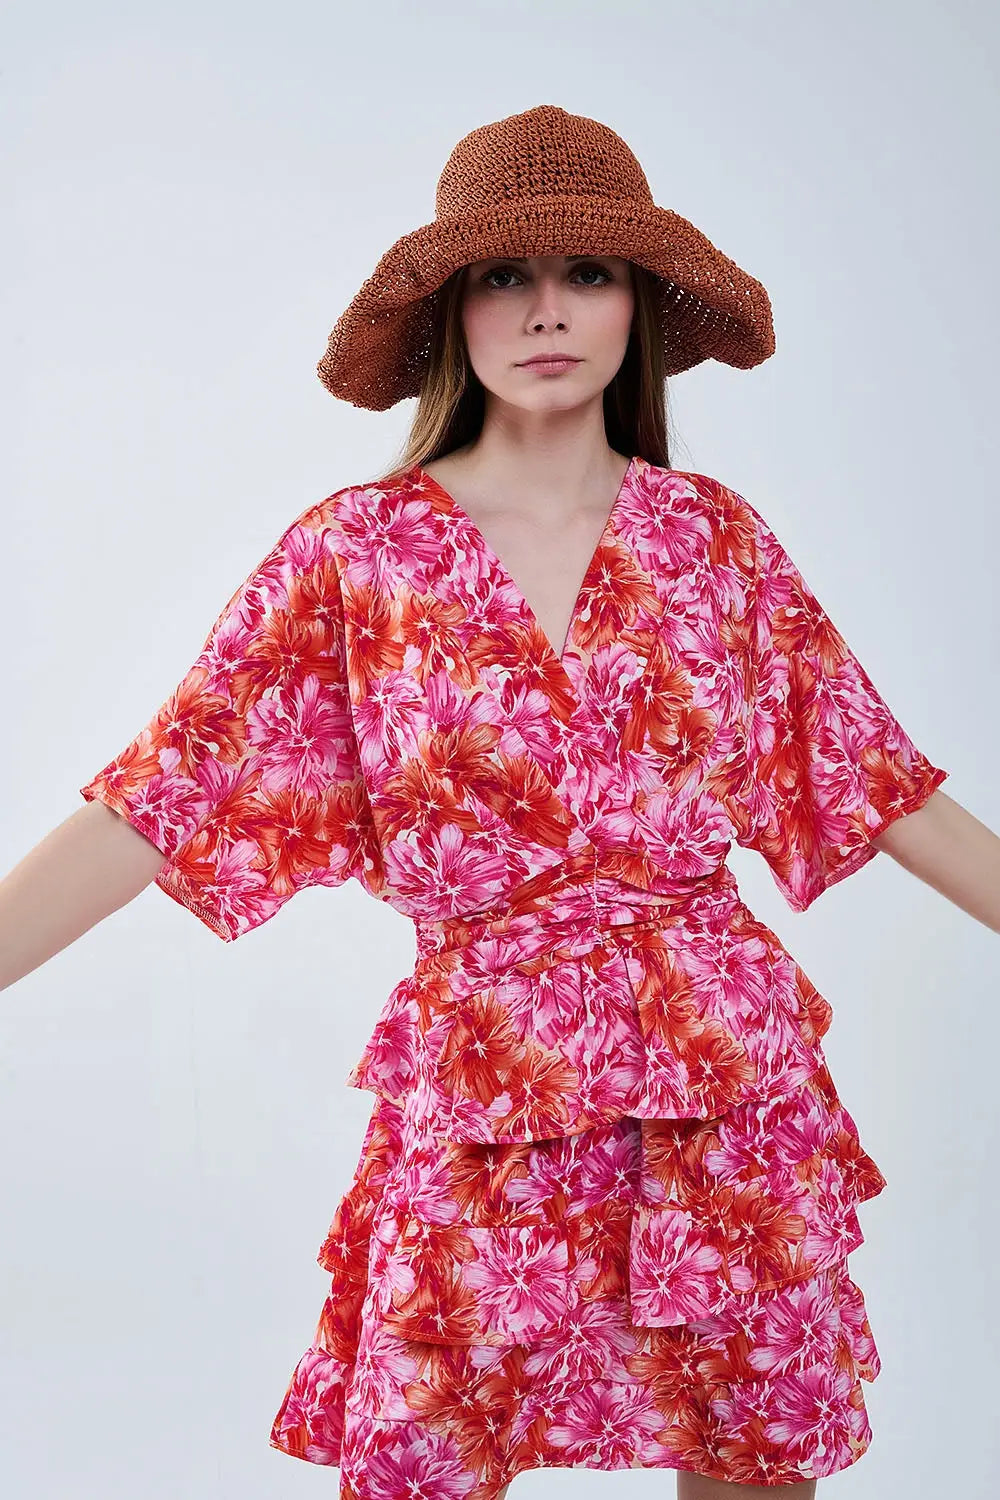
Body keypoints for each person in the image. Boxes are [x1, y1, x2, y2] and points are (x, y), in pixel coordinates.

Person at [2, 104, 998, 1499]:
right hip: (483, 1074)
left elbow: (876, 781)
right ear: (449, 313)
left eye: (588, 274)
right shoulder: (359, 554)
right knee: (425, 1453)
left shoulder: (713, 542)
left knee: (750, 1451)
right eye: (503, 276)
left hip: (715, 1075)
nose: (547, 311)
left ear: (637, 306)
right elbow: (160, 797)